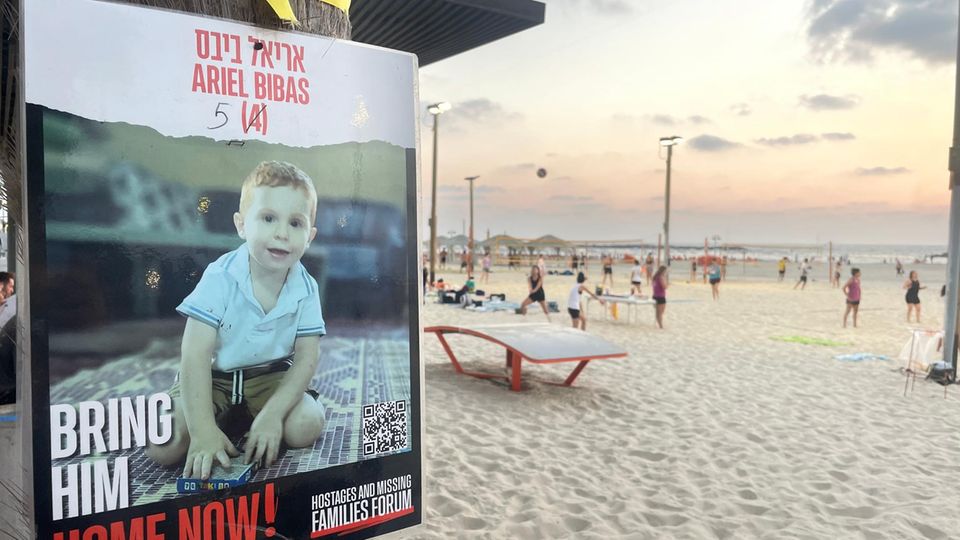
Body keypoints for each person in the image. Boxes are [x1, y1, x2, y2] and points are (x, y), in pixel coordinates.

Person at [146, 161, 327, 479]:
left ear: (309, 236)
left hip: (270, 379)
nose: (282, 233)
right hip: (213, 379)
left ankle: (254, 422)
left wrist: (273, 414)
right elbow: (194, 353)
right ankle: (212, 422)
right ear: (242, 225)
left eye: (296, 223)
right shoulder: (220, 276)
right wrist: (201, 431)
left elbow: (306, 359)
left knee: (305, 426)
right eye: (269, 218)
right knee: (162, 444)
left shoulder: (306, 286)